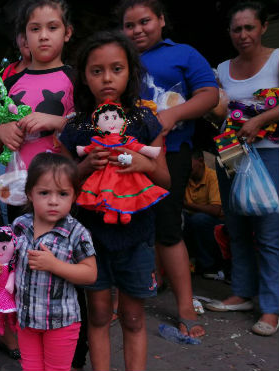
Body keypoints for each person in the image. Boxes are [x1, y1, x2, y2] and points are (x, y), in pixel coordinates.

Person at [60, 30, 170, 370]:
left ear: (130, 73)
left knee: (135, 318)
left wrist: (145, 163)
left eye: (117, 69)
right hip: (90, 238)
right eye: (97, 71)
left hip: (136, 235)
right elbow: (62, 185)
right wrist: (81, 168)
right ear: (84, 77)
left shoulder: (144, 121)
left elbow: (165, 180)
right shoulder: (77, 127)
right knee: (99, 316)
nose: (107, 78)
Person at [118, 0, 219, 338]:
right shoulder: (120, 56)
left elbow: (209, 94)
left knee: (167, 227)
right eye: (129, 25)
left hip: (172, 151)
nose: (137, 30)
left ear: (161, 20)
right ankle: (129, 294)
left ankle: (186, 307)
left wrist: (173, 115)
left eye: (144, 21)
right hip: (125, 154)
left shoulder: (184, 54)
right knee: (124, 220)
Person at [0, 153, 97, 371]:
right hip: (26, 320)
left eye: (63, 194)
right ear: (29, 194)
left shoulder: (76, 232)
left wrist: (55, 266)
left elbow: (90, 274)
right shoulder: (20, 225)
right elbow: (3, 256)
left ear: (74, 196)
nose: (53, 201)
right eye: (44, 193)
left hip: (61, 322)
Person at [205, 1, 279, 337]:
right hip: (232, 151)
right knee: (235, 225)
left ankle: (271, 307)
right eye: (237, 29)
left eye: (250, 27)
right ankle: (242, 293)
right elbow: (217, 112)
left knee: (267, 232)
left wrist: (261, 119)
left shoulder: (277, 59)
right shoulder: (221, 68)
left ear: (263, 27)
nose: (243, 35)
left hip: (269, 151)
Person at [0, 0, 74, 170]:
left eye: (52, 27)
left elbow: (93, 129)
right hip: (14, 186)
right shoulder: (8, 84)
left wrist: (57, 122)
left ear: (67, 32)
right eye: (35, 29)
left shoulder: (77, 80)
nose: (43, 36)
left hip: (58, 185)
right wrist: (0, 133)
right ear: (24, 38)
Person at [183, 150, 224, 277]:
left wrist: (187, 205)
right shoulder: (185, 177)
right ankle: (188, 262)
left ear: (200, 161)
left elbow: (216, 210)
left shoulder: (213, 176)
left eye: (189, 163)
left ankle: (210, 265)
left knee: (199, 220)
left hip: (213, 222)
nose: (185, 167)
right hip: (191, 218)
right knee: (179, 219)